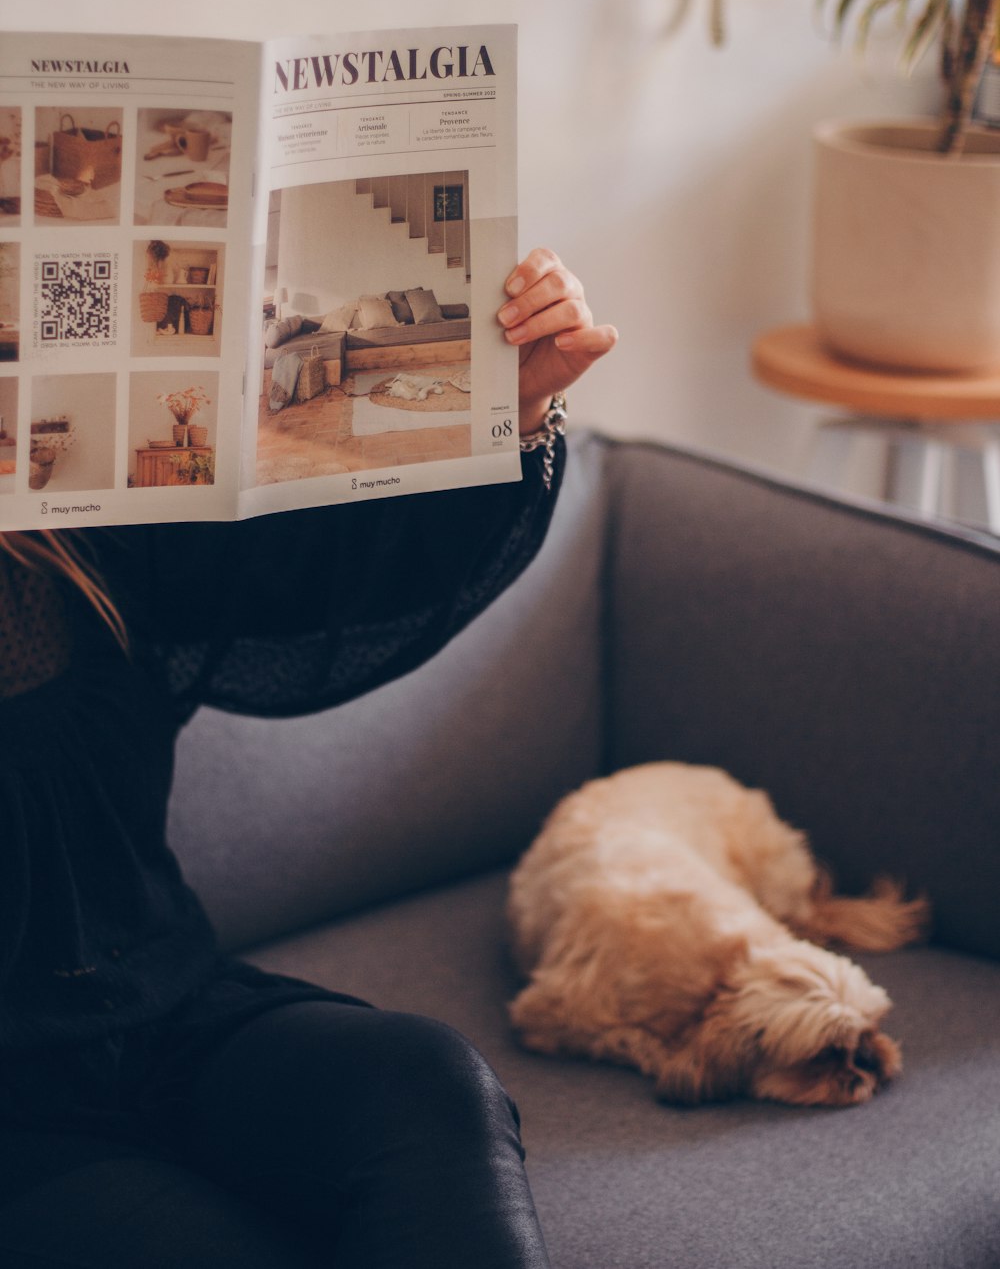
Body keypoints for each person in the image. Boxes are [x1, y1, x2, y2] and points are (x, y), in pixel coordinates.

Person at [0, 249, 617, 1269]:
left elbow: (316, 577)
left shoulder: (82, 498)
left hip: (165, 1012)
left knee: (422, 1080)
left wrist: (498, 410)